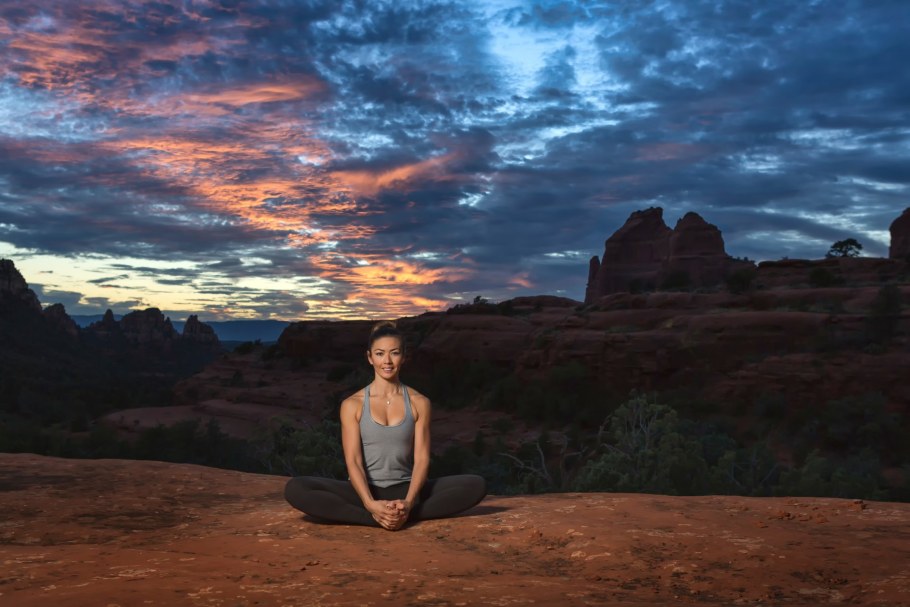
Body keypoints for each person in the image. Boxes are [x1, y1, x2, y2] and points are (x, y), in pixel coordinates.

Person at [284, 321, 486, 530]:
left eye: (394, 353)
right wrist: (370, 504)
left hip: (408, 489)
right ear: (370, 357)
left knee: (475, 484)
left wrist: (408, 502)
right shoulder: (353, 404)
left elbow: (422, 459)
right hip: (364, 491)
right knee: (296, 488)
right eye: (380, 354)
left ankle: (403, 513)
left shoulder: (419, 402)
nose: (387, 361)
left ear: (404, 356)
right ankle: (375, 517)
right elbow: (353, 461)